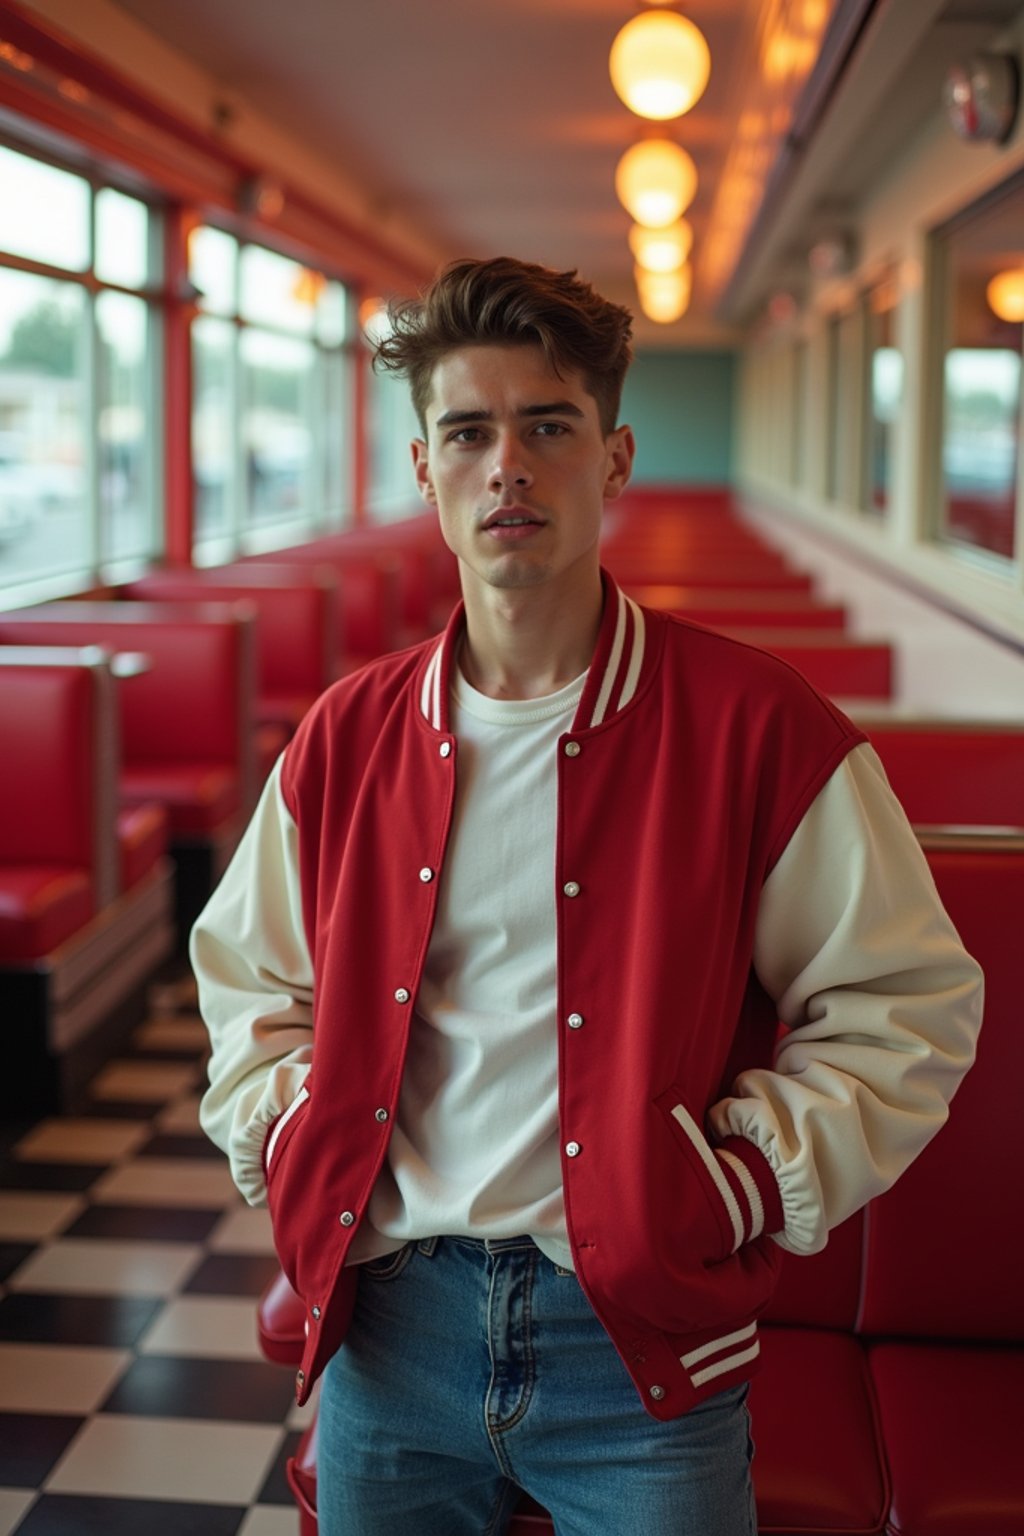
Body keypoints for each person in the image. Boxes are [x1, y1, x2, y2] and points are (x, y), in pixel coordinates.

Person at [192, 256, 983, 1536]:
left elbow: (909, 1003)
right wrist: (298, 1132)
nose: (506, 464)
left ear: (612, 461)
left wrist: (728, 1183)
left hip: (640, 1350)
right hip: (389, 1327)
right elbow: (248, 986)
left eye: (546, 426)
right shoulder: (348, 734)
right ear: (424, 472)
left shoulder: (754, 724)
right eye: (468, 431)